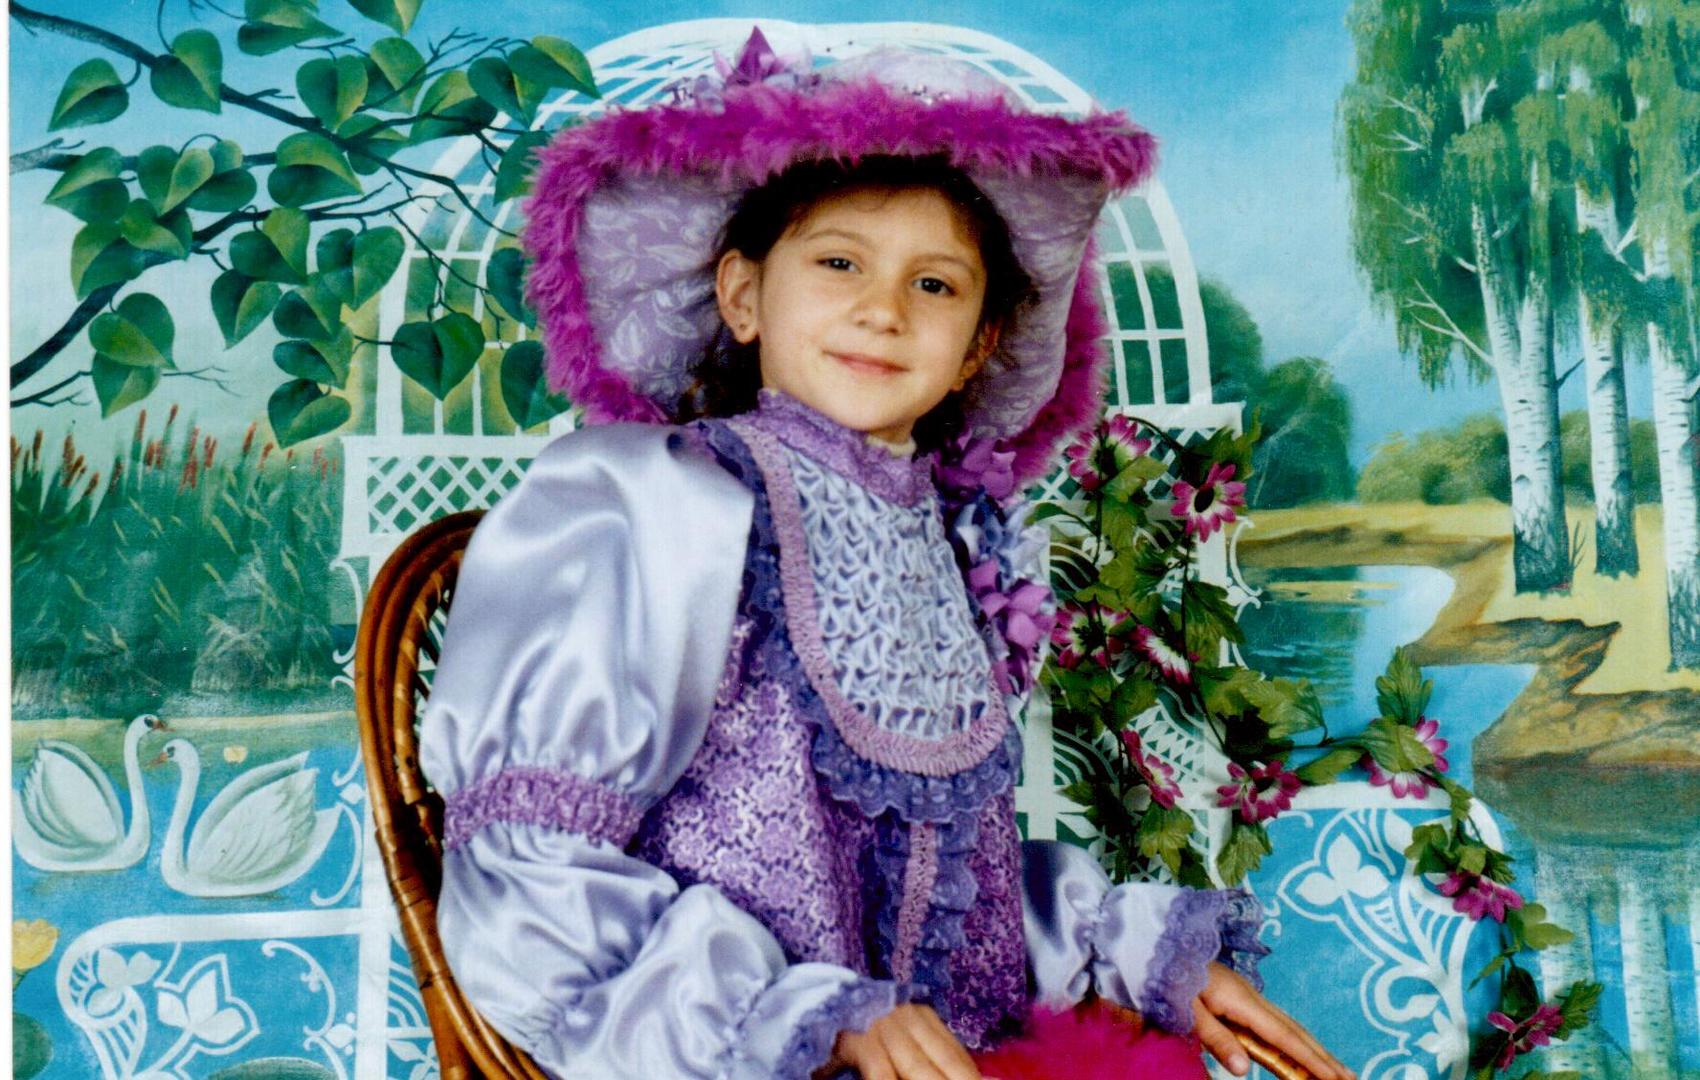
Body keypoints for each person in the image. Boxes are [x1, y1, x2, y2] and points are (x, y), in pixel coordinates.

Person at [420, 28, 1352, 1080]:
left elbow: (957, 905)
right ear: (742, 295)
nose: (882, 309)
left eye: (936, 285)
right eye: (837, 262)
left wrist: (1131, 949)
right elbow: (527, 876)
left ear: (978, 346)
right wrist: (806, 1016)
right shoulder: (656, 507)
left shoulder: (951, 545)